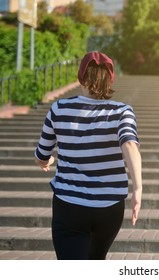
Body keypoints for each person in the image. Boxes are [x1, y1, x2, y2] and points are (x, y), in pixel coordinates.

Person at [34, 51, 142, 260]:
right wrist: (138, 187)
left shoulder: (59, 108)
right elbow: (129, 143)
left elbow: (41, 155)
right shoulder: (122, 111)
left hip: (69, 205)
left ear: (80, 77)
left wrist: (48, 160)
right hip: (109, 208)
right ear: (110, 79)